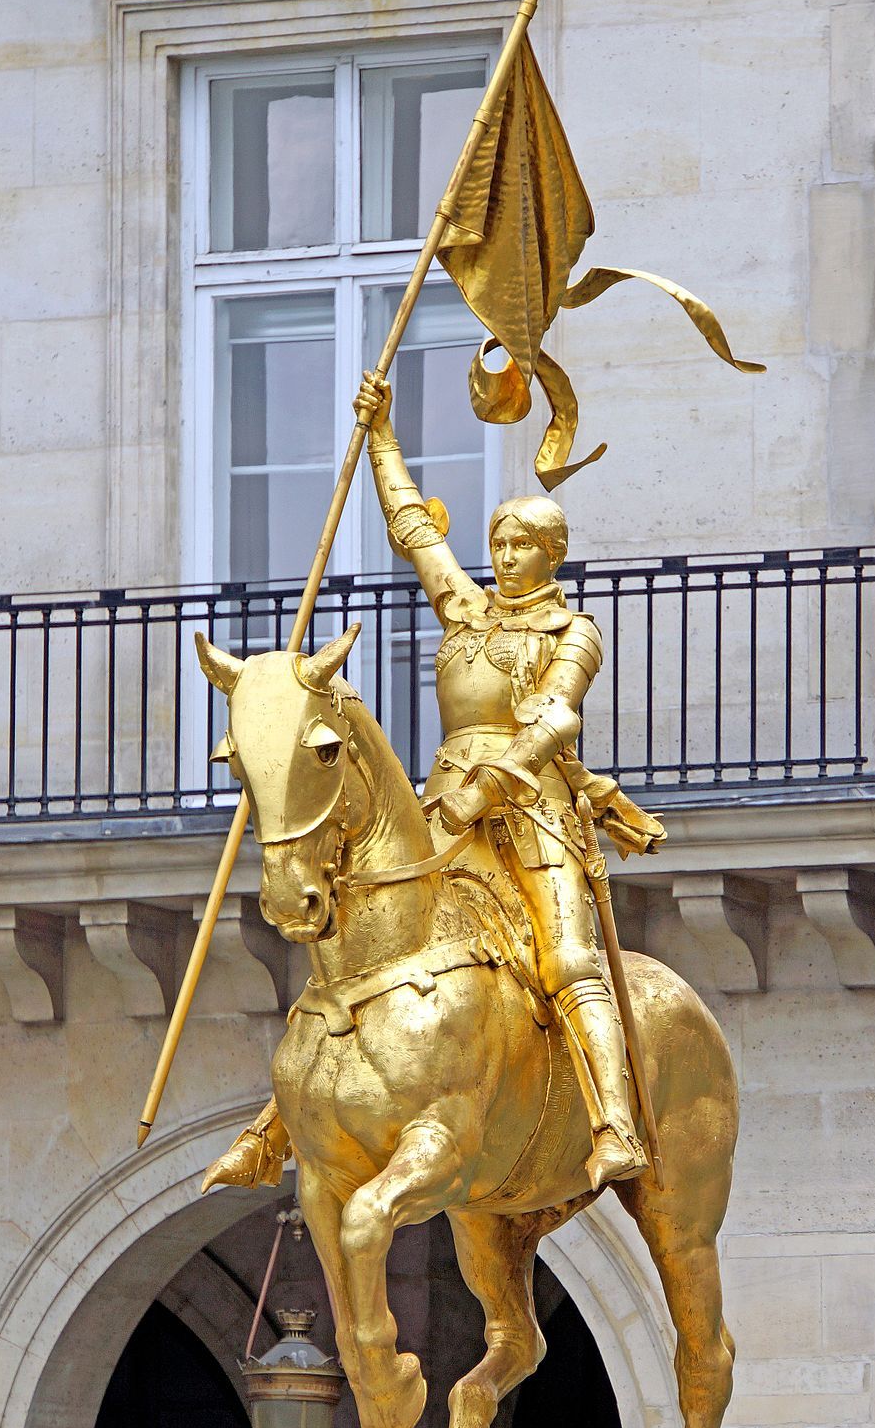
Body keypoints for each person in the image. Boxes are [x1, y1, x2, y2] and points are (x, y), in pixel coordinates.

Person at [204, 370, 664, 1196]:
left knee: (567, 957)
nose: (504, 554)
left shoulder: (573, 629)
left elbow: (557, 719)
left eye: (522, 543)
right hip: (444, 797)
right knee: (359, 928)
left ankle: (613, 1124)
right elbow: (415, 531)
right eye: (498, 539)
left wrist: (497, 782)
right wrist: (380, 435)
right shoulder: (465, 612)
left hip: (532, 805)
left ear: (551, 554)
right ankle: (279, 1125)